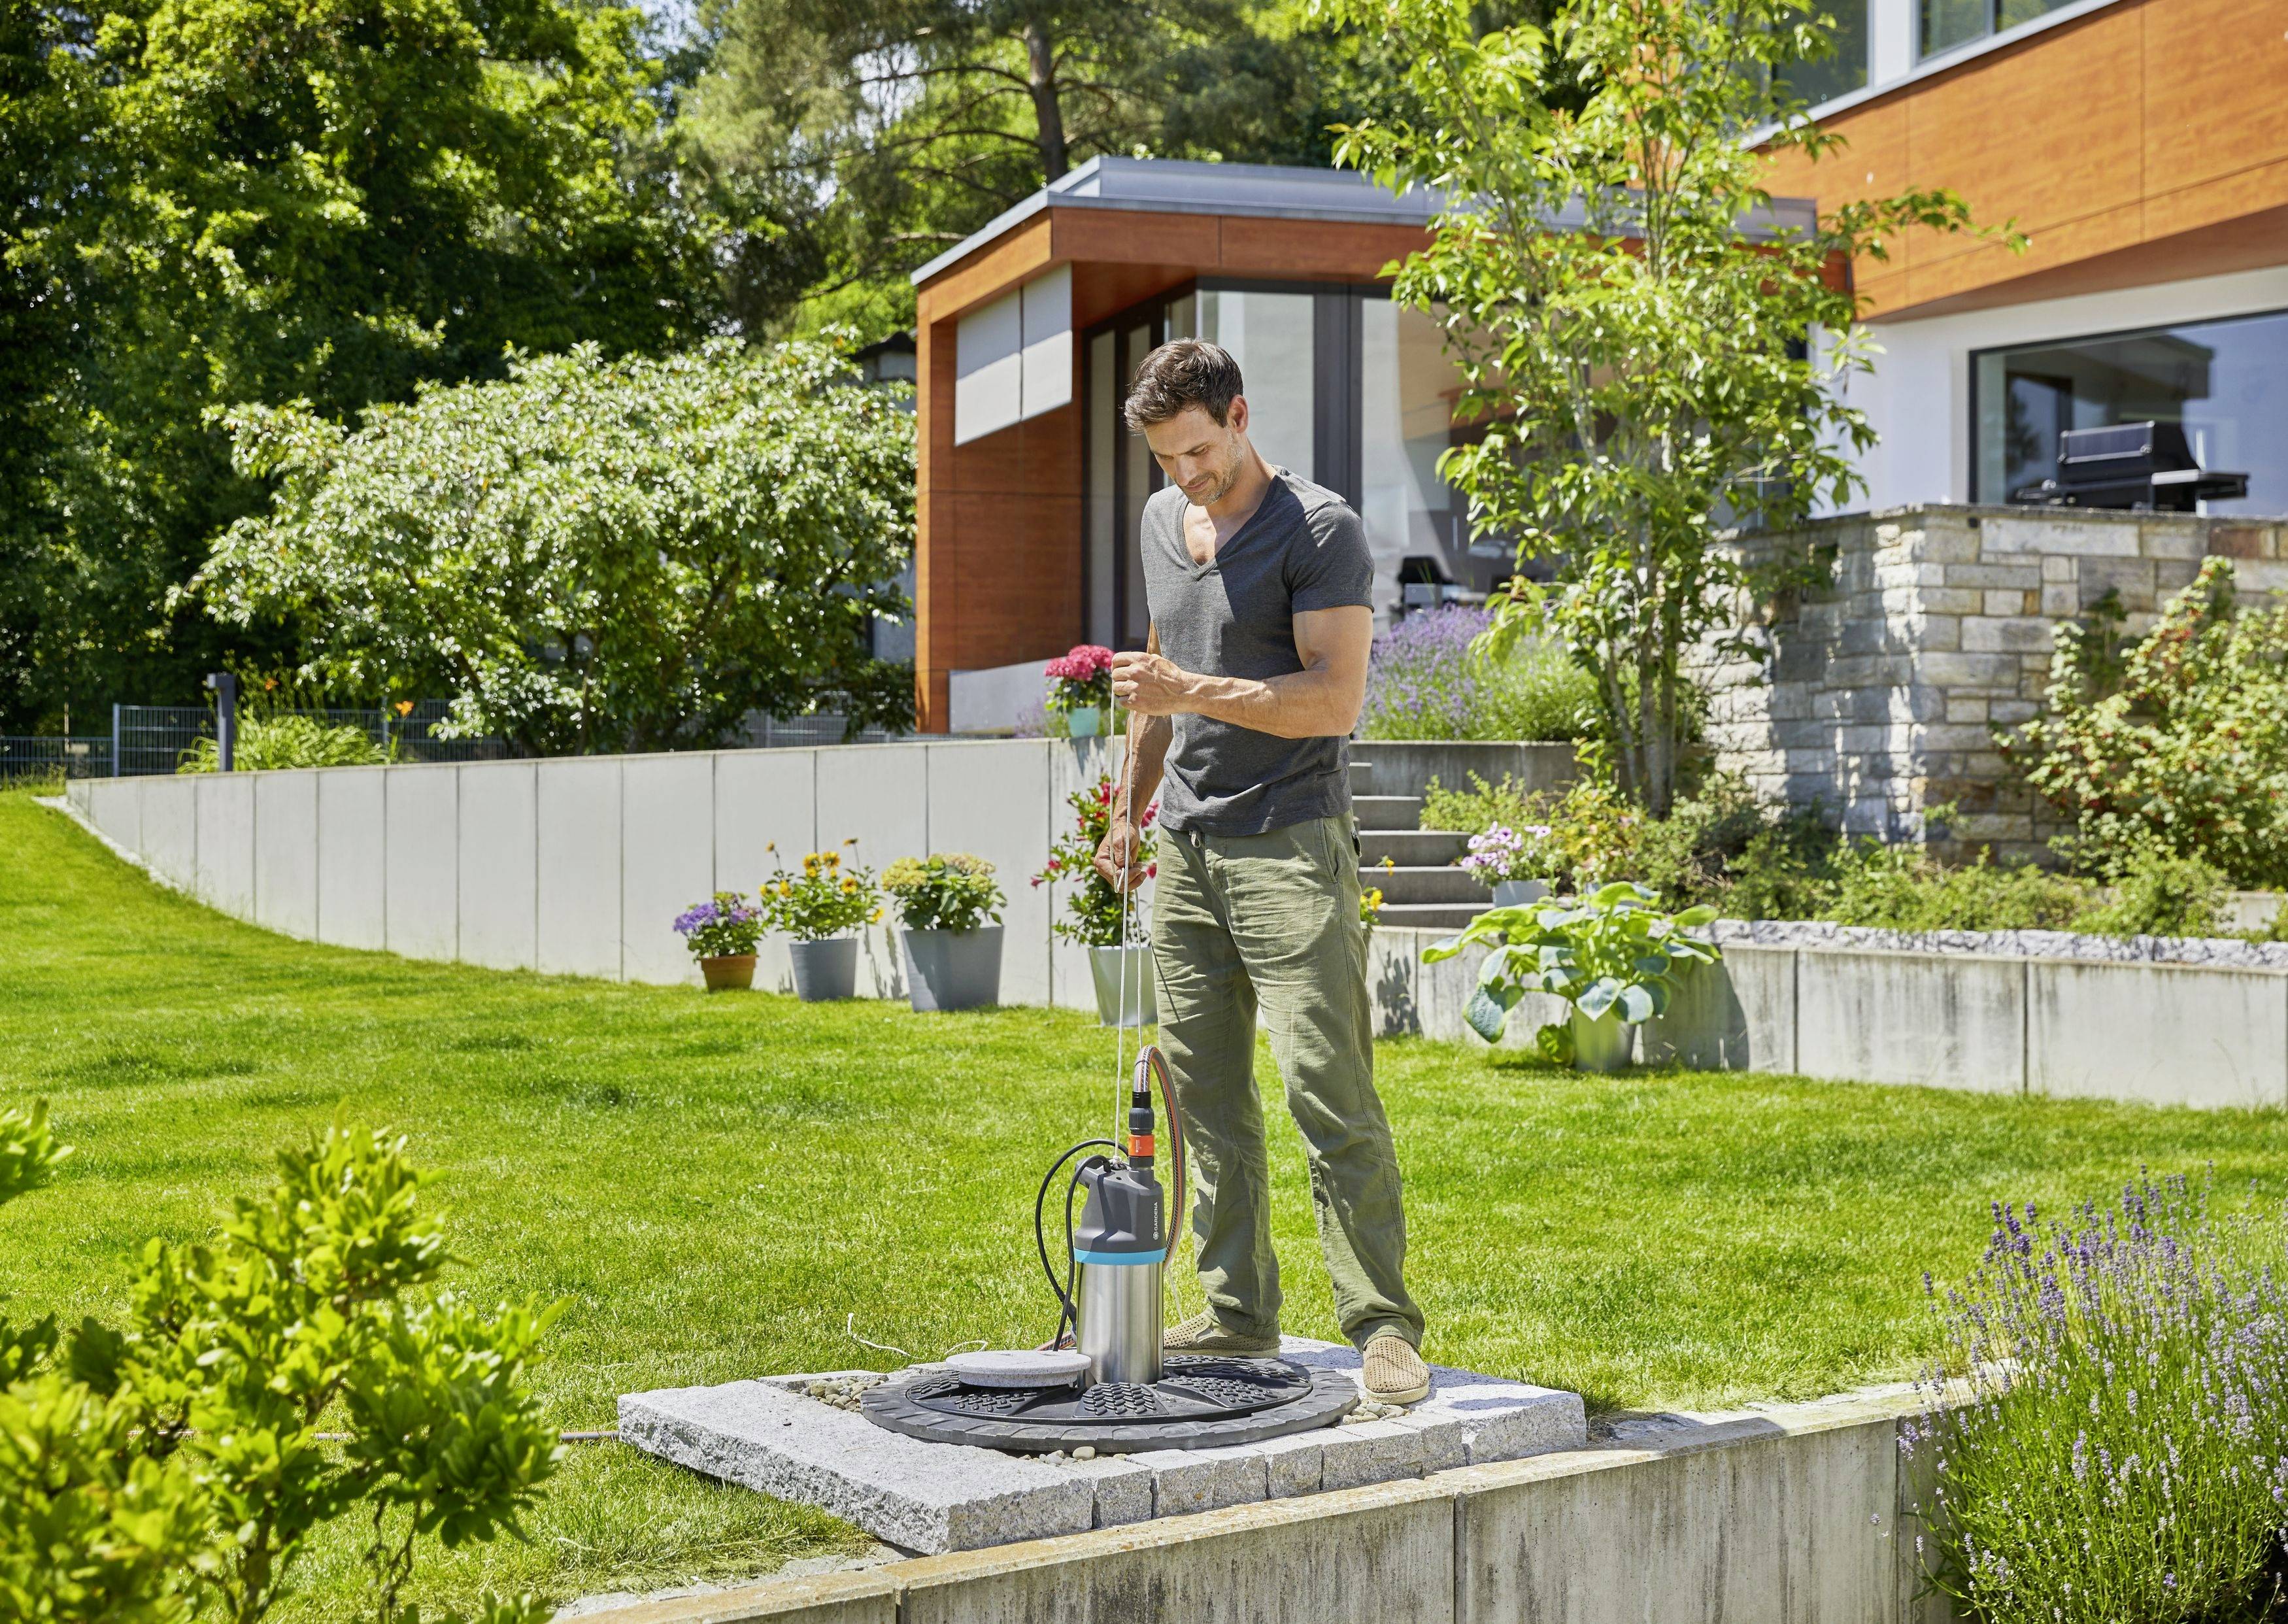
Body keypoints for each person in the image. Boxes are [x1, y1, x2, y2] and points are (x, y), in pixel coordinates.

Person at [1093, 339, 1430, 1406]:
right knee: (1205, 1095)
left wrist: (1191, 687)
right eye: (1165, 459)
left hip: (1289, 840)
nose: (1185, 476)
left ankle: (1383, 1324)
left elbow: (1334, 701)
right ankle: (1238, 1312)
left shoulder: (1319, 530)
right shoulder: (1161, 523)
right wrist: (1129, 809)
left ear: (1238, 416)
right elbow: (1159, 678)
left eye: (1197, 450)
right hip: (1187, 848)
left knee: (1325, 1083)